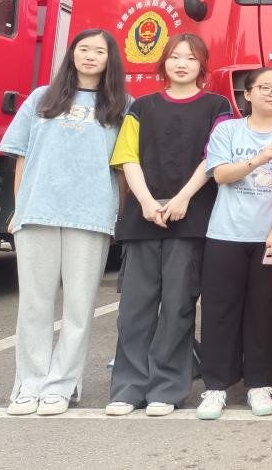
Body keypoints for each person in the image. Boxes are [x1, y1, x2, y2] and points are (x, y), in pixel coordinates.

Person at [0, 29, 129, 417]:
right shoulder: (42, 98)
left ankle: (61, 386)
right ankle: (28, 385)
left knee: (79, 307)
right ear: (71, 54)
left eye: (98, 51)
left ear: (109, 59)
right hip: (38, 211)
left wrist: (119, 215)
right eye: (83, 49)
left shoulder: (122, 105)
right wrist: (20, 207)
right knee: (34, 305)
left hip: (90, 215)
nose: (89, 56)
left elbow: (125, 166)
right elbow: (21, 156)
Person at [106, 34, 232, 417]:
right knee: (135, 308)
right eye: (175, 57)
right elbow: (127, 157)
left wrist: (182, 199)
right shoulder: (141, 107)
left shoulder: (217, 106)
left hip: (190, 218)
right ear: (163, 63)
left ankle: (167, 388)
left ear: (201, 66)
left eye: (190, 59)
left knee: (178, 307)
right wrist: (146, 202)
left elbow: (215, 157)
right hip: (142, 219)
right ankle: (128, 388)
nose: (181, 64)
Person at [195, 68, 272, 421]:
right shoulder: (228, 130)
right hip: (225, 235)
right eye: (265, 87)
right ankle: (216, 386)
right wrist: (257, 159)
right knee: (219, 312)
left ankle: (260, 384)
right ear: (247, 94)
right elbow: (220, 174)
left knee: (266, 312)